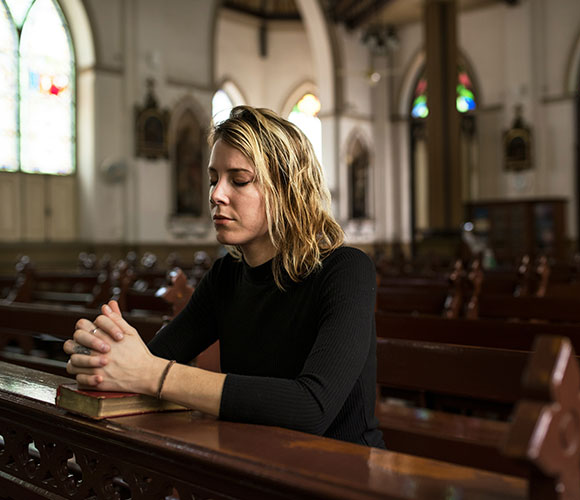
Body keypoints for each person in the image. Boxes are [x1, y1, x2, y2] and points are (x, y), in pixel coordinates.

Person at [64, 105, 385, 448]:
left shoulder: (346, 270)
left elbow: (311, 408)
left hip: (342, 471)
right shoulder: (226, 276)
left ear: (287, 187)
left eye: (239, 180)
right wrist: (102, 353)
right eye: (214, 178)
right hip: (255, 462)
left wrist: (153, 375)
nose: (216, 194)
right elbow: (148, 361)